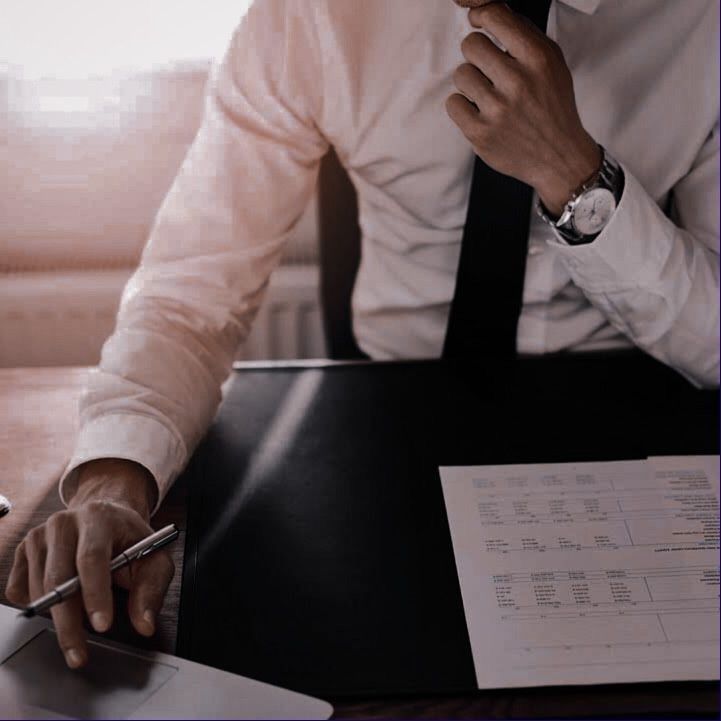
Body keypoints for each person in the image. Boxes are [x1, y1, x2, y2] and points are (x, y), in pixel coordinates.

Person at [6, 0, 719, 668]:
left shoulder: (699, 22)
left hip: (637, 422)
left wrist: (574, 173)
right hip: (383, 429)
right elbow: (192, 293)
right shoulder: (312, 14)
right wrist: (112, 483)